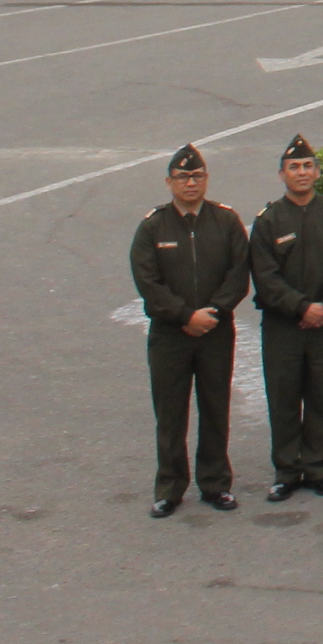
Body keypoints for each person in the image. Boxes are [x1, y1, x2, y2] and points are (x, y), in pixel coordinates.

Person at [133, 141, 252, 514]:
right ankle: (169, 487)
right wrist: (186, 316)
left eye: (197, 176)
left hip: (216, 333)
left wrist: (212, 312)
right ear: (169, 182)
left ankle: (215, 483)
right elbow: (147, 283)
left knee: (215, 409)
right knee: (171, 414)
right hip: (170, 336)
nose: (190, 183)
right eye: (183, 177)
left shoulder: (226, 221)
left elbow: (239, 274)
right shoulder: (153, 226)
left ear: (207, 179)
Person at [245, 133, 323, 502]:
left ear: (318, 171)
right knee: (284, 397)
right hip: (283, 327)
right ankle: (286, 471)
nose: (301, 172)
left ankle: (320, 469)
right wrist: (301, 307)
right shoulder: (269, 221)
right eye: (293, 167)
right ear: (281, 175)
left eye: (307, 166)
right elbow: (265, 277)